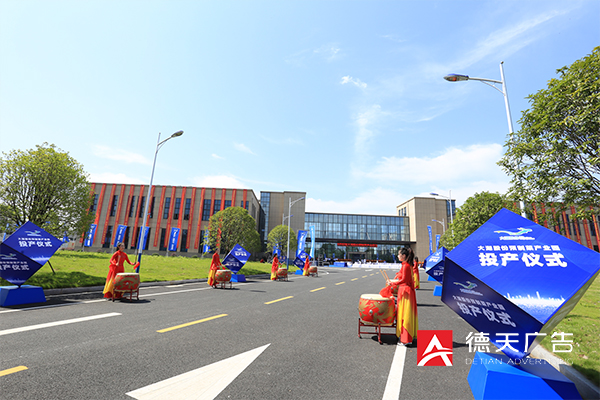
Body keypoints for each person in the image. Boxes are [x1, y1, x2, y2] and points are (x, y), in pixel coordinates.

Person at [379, 247, 418, 345]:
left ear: (403, 256)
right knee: (406, 314)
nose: (398, 256)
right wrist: (395, 278)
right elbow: (403, 277)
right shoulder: (406, 265)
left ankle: (406, 339)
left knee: (405, 315)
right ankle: (406, 337)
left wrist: (392, 283)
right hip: (405, 291)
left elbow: (404, 280)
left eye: (399, 254)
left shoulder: (406, 266)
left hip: (405, 291)